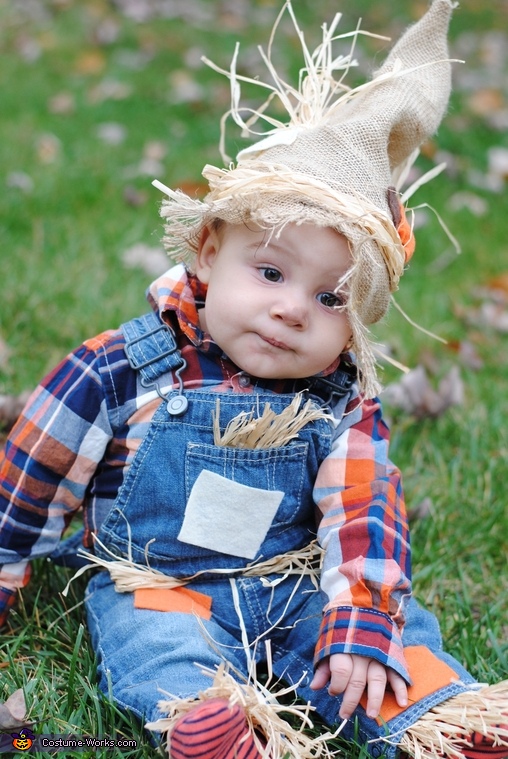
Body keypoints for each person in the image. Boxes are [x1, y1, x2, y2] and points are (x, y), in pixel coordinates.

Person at [0, 1, 507, 758]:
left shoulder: (342, 400)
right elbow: (36, 468)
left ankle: (445, 715)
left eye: (331, 297)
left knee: (379, 649)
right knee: (157, 644)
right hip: (159, 580)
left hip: (291, 579)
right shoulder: (124, 366)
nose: (291, 310)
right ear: (208, 252)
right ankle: (215, 722)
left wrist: (362, 617)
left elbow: (366, 513)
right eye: (270, 271)